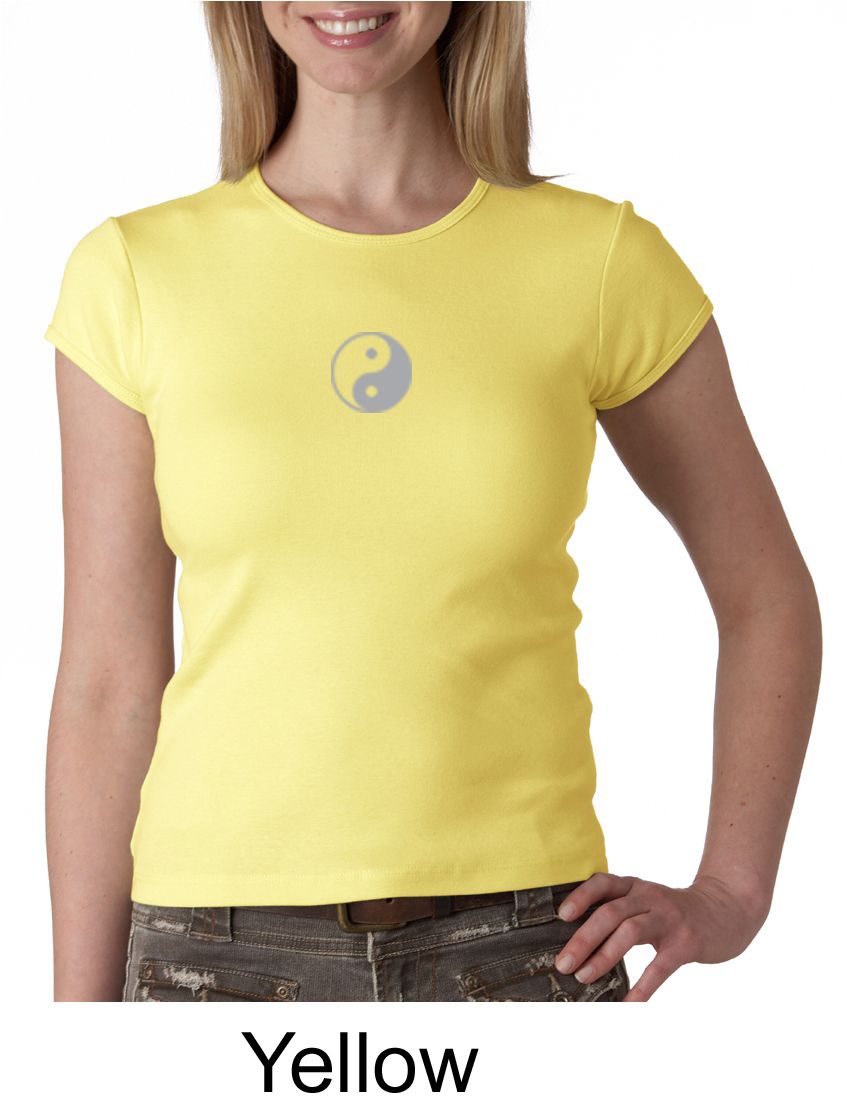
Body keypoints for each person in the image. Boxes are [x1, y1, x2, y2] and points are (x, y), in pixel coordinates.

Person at [44, 1, 821, 1003]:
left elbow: (765, 593)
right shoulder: (134, 274)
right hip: (214, 960)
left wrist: (730, 894)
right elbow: (108, 683)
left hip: (524, 951)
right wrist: (78, 1042)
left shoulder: (599, 263)